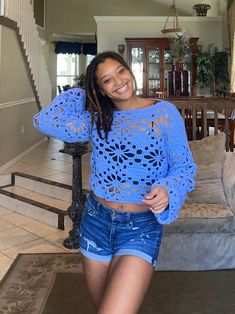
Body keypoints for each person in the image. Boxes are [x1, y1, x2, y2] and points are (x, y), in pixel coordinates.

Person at [33, 51, 196, 314]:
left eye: (120, 71)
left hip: (140, 227)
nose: (119, 81)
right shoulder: (97, 119)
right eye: (106, 80)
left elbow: (184, 168)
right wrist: (82, 92)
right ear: (101, 90)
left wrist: (168, 188)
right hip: (95, 221)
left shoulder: (163, 113)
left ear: (129, 70)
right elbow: (45, 121)